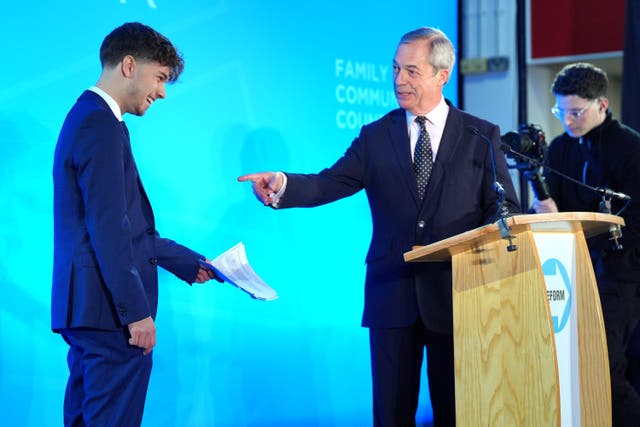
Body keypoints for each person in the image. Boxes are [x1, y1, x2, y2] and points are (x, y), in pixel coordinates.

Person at [238, 27, 519, 427]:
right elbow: (330, 182)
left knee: (459, 412)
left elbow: (504, 205)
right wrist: (282, 184)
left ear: (442, 75)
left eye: (411, 71)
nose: (399, 80)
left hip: (458, 295)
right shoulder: (376, 135)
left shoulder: (479, 135)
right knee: (390, 414)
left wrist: (493, 230)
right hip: (393, 295)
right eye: (394, 69)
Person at [52, 22, 221, 426]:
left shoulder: (89, 118)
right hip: (110, 315)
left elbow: (127, 230)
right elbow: (108, 229)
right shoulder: (100, 125)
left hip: (91, 312)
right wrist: (135, 314)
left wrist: (188, 261)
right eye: (160, 77)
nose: (162, 91)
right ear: (129, 65)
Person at [532, 62, 640, 426]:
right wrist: (545, 210)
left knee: (602, 364)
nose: (568, 120)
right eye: (560, 112)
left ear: (602, 105)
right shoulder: (560, 149)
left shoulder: (630, 148)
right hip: (572, 272)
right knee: (575, 366)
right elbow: (555, 213)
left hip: (622, 274)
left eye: (576, 112)